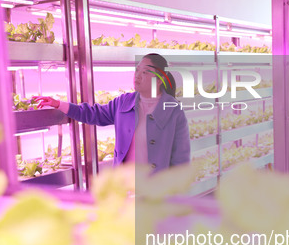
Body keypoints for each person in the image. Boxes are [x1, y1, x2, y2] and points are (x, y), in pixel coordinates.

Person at [32, 53, 190, 172]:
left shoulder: (173, 111)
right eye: (137, 70)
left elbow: (181, 159)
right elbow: (94, 114)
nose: (137, 76)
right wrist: (60, 104)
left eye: (145, 72)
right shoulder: (123, 102)